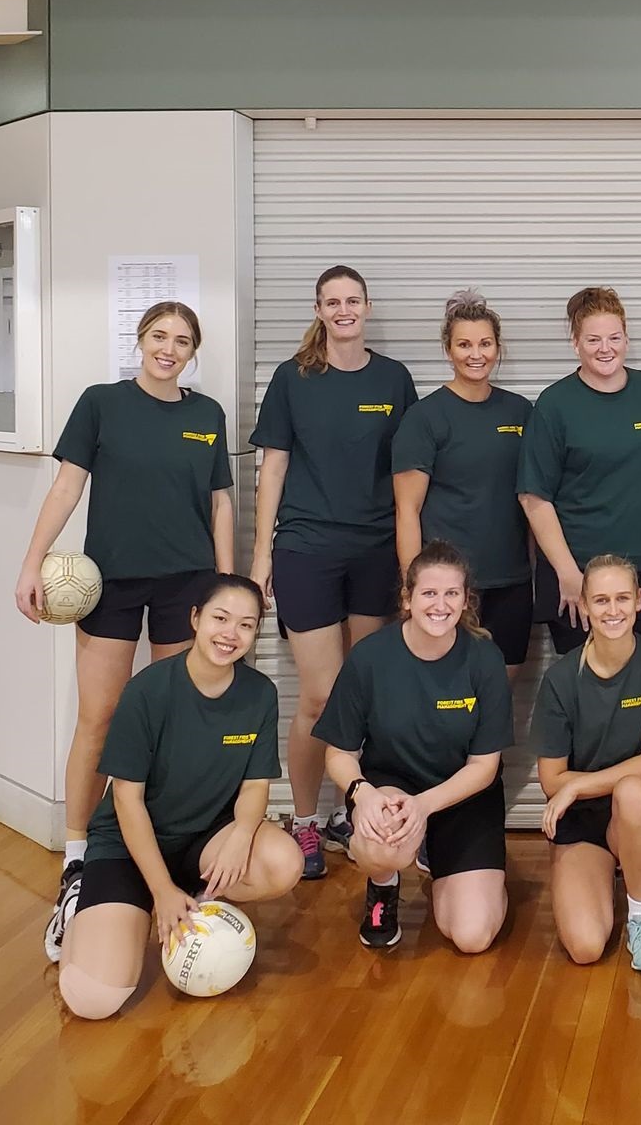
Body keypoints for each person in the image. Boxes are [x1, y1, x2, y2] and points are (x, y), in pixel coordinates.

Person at [16, 299, 234, 963]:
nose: (170, 348)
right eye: (160, 337)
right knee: (102, 718)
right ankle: (79, 857)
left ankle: (165, 849)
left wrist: (225, 589)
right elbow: (66, 488)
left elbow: (221, 502)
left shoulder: (207, 416)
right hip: (110, 583)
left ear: (193, 353)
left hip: (186, 586)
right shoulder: (100, 403)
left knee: (173, 722)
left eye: (183, 341)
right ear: (140, 341)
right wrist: (32, 562)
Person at [56, 574, 303, 1019]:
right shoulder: (148, 691)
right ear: (195, 618)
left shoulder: (260, 694)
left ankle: (187, 900)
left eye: (246, 625)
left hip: (202, 841)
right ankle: (80, 901)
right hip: (128, 848)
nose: (231, 634)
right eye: (220, 618)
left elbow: (255, 784)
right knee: (94, 1000)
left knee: (284, 861)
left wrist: (244, 831)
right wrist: (160, 889)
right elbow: (127, 801)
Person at [248, 265, 417, 880]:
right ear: (319, 310)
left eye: (353, 300)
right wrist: (262, 555)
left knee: (365, 696)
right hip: (306, 549)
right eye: (332, 302)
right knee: (321, 695)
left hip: (375, 551)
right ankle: (306, 821)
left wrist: (410, 563)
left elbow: (409, 473)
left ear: (367, 307)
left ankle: (359, 810)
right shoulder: (293, 379)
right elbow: (272, 467)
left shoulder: (393, 378)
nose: (343, 310)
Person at [517, 285, 641, 866]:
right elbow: (534, 497)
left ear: (626, 338)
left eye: (614, 337)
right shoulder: (555, 404)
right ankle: (588, 818)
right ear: (575, 342)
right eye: (593, 339)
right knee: (593, 704)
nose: (605, 347)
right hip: (580, 582)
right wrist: (568, 574)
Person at [315, 541, 513, 954]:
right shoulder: (370, 657)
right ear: (407, 598)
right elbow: (339, 753)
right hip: (393, 792)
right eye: (428, 593)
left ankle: (445, 861)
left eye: (451, 594)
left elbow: (484, 768)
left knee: (471, 937)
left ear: (465, 600)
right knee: (380, 842)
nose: (439, 605)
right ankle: (383, 887)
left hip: (462, 795)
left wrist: (426, 807)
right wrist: (362, 793)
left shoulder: (484, 658)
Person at [533, 556, 641, 972]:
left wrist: (577, 784)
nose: (613, 610)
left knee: (635, 789)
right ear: (583, 606)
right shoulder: (561, 678)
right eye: (601, 600)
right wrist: (571, 790)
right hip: (582, 818)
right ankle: (604, 874)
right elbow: (552, 779)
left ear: (639, 601)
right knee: (585, 947)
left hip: (639, 808)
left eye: (623, 598)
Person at [393, 290, 535, 675]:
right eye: (465, 344)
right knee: (445, 689)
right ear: (448, 349)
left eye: (485, 343)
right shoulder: (424, 418)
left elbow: (534, 500)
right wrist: (414, 587)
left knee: (500, 691)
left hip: (510, 578)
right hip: (446, 586)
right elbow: (408, 510)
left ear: (498, 347)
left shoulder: (521, 412)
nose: (476, 354)